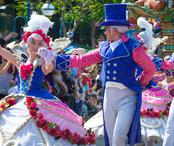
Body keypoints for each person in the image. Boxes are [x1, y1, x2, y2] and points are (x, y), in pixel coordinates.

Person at [39, 3, 156, 146]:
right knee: (112, 137)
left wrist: (140, 82)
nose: (104, 32)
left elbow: (150, 68)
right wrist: (54, 58)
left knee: (120, 136)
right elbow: (82, 60)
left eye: (106, 29)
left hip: (127, 97)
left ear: (114, 30)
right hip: (109, 96)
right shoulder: (104, 48)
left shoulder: (133, 46)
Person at [0, 13, 95, 145]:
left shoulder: (41, 63)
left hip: (39, 100)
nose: (35, 45)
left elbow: (48, 68)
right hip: (18, 100)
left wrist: (48, 58)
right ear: (27, 43)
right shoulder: (18, 60)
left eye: (39, 43)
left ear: (44, 45)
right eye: (32, 42)